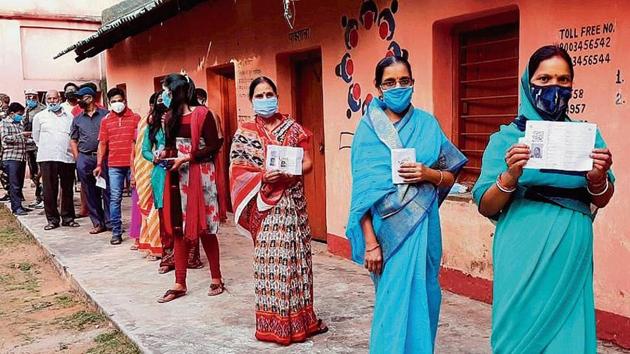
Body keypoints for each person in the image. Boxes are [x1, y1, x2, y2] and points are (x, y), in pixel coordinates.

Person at [472, 45, 615, 353]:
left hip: (571, 248)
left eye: (564, 80)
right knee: (517, 333)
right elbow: (486, 204)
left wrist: (598, 177)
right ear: (528, 82)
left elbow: (602, 198)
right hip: (521, 247)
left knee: (568, 332)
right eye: (545, 78)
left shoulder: (586, 136)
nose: (555, 87)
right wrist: (510, 176)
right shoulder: (506, 139)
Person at [346, 56, 467, 353]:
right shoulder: (368, 130)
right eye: (390, 82)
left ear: (412, 83)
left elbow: (450, 176)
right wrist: (371, 243)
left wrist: (429, 174)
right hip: (386, 236)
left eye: (404, 81)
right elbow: (362, 194)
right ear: (379, 87)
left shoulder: (427, 124)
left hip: (424, 228)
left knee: (425, 297)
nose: (398, 87)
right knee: (392, 304)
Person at [230, 76, 329, 344]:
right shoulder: (245, 133)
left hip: (293, 203)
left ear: (277, 96)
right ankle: (272, 324)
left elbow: (308, 162)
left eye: (269, 94)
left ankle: (302, 320)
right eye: (259, 96)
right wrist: (262, 177)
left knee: (296, 261)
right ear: (251, 101)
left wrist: (291, 169)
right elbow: (238, 172)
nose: (265, 99)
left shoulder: (293, 128)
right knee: (270, 264)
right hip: (265, 204)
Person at [157, 73, 224, 302]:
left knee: (205, 227)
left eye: (167, 91)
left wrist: (185, 158)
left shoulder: (203, 114)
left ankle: (216, 277)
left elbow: (213, 147)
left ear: (178, 91)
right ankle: (179, 282)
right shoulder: (168, 118)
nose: (165, 95)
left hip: (201, 176)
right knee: (178, 227)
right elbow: (168, 146)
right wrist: (163, 155)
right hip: (177, 178)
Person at [93, 87, 140, 245]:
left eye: (119, 100)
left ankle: (139, 234)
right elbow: (102, 144)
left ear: (125, 101)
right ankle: (116, 232)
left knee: (137, 199)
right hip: (114, 166)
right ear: (109, 103)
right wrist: (99, 164)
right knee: (115, 199)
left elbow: (139, 142)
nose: (117, 104)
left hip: (134, 165)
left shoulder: (136, 118)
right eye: (113, 102)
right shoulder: (106, 120)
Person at [32, 90, 78, 230]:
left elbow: (73, 136)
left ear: (60, 98)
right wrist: (48, 147)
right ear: (46, 100)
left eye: (54, 98)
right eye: (49, 98)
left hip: (66, 157)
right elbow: (36, 137)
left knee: (67, 188)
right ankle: (52, 220)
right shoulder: (40, 117)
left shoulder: (69, 116)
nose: (52, 101)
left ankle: (68, 218)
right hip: (47, 157)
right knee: (49, 190)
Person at [70, 86, 110, 234]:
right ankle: (97, 222)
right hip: (85, 158)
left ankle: (109, 221)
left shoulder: (106, 115)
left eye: (81, 98)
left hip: (104, 158)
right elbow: (73, 140)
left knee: (108, 190)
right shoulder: (77, 119)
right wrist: (78, 158)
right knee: (90, 192)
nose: (78, 101)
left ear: (90, 98)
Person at [1, 103, 31, 215]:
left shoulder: (19, 124)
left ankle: (20, 205)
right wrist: (21, 135)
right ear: (12, 113)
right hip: (11, 158)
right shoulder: (5, 123)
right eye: (19, 114)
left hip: (21, 157)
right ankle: (16, 207)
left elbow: (23, 140)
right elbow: (5, 139)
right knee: (14, 184)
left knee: (19, 183)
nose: (21, 116)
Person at [23, 89, 44, 209]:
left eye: (31, 96)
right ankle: (38, 197)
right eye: (27, 96)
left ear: (36, 96)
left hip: (38, 145)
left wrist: (30, 133)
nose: (29, 99)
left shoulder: (42, 109)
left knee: (41, 173)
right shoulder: (27, 109)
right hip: (28, 146)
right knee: (33, 174)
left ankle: (44, 197)